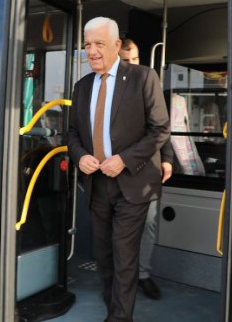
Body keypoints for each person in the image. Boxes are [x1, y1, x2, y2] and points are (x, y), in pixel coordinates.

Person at [67, 17, 170, 322]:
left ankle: (119, 317)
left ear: (115, 45)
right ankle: (113, 305)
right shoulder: (81, 86)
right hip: (97, 184)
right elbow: (72, 134)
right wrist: (80, 156)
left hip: (132, 183)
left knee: (124, 255)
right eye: (87, 44)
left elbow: (160, 128)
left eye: (99, 44)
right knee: (103, 255)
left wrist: (124, 159)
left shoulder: (143, 77)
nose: (92, 51)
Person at [119, 38, 173, 300]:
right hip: (114, 170)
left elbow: (162, 125)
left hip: (146, 169)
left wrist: (167, 158)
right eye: (126, 60)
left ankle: (142, 275)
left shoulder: (149, 83)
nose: (132, 65)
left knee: (148, 224)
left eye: (135, 59)